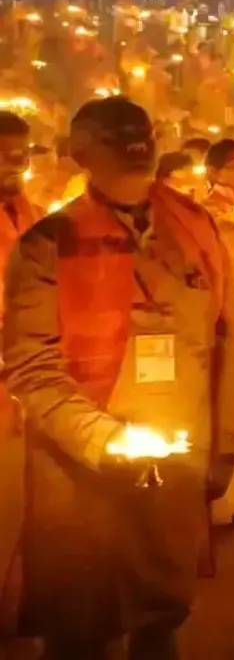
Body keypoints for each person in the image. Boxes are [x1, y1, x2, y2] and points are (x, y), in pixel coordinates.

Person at [2, 96, 234, 658]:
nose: (136, 142)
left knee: (161, 610)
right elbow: (32, 365)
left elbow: (230, 337)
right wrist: (105, 439)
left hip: (177, 455)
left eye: (143, 131)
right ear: (81, 152)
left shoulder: (196, 227)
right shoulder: (50, 243)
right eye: (118, 134)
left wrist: (228, 443)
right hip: (81, 467)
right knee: (82, 622)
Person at [0, 111, 40, 646]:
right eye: (7, 154)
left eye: (23, 155)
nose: (17, 165)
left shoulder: (29, 214)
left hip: (26, 380)